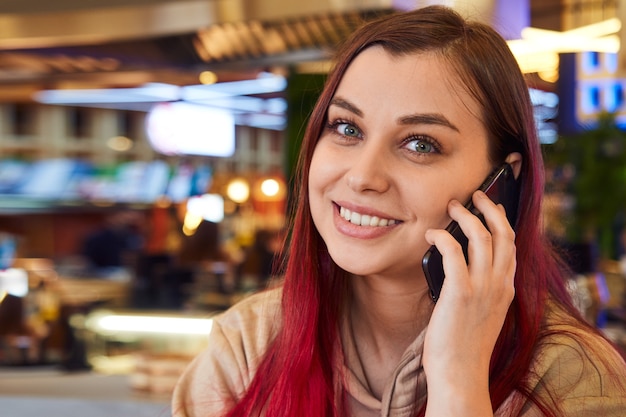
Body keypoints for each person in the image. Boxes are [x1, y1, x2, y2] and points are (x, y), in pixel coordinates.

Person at [172, 6, 626, 416]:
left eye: (420, 144)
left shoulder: (574, 379)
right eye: (346, 127)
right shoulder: (248, 348)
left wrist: (458, 378)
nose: (363, 175)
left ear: (500, 182)